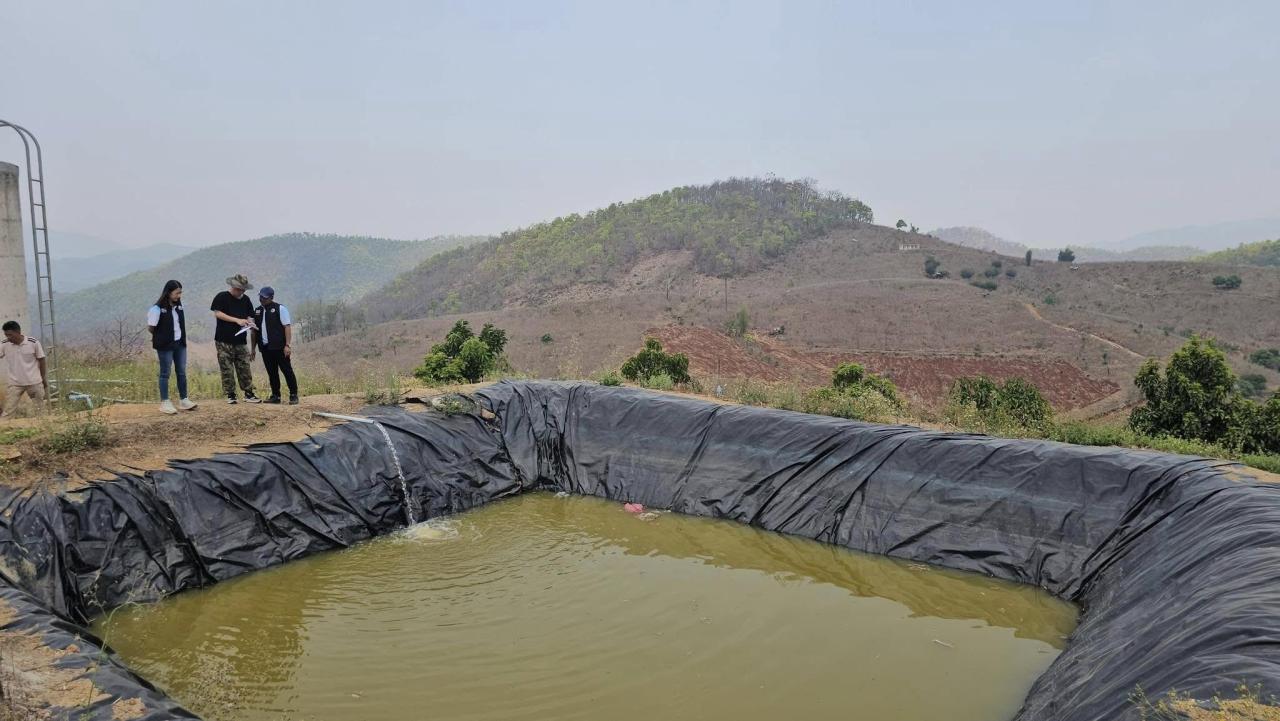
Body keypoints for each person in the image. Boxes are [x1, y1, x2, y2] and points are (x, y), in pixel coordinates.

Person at [147, 280, 197, 415]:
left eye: (180, 293)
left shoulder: (179, 307)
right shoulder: (156, 309)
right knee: (165, 372)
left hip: (179, 344)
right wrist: (163, 337)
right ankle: (165, 402)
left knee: (181, 371)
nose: (179, 296)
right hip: (165, 346)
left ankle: (184, 399)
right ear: (168, 293)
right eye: (177, 293)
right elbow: (151, 328)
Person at [210, 274, 261, 404]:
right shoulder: (221, 297)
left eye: (243, 289)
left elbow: (250, 315)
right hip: (223, 339)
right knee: (226, 367)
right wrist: (236, 320)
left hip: (240, 340)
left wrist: (250, 322)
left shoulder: (246, 300)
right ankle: (230, 394)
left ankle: (249, 393)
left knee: (244, 366)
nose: (241, 292)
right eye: (239, 289)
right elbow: (217, 313)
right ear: (233, 286)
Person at [250, 286, 299, 405]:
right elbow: (254, 331)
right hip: (265, 348)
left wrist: (287, 345)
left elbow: (287, 327)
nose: (262, 299)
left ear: (271, 297)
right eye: (260, 297)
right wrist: (253, 349)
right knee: (272, 372)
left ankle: (293, 395)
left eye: (264, 298)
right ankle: (275, 395)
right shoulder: (257, 311)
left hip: (280, 347)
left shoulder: (280, 309)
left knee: (287, 370)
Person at [0, 321, 47, 419]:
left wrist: (43, 378)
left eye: (10, 335)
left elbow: (42, 360)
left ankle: (43, 428)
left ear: (18, 332)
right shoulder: (4, 344)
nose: (8, 337)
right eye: (6, 335)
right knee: (8, 411)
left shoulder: (33, 343)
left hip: (34, 382)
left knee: (40, 410)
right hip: (15, 383)